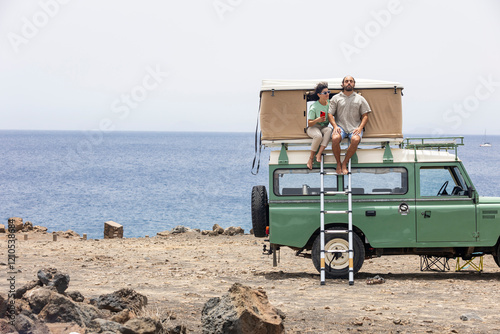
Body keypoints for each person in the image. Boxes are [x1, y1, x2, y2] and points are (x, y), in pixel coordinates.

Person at [328, 76, 371, 175]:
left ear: (354, 84)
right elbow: (330, 114)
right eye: (346, 81)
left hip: (354, 127)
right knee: (335, 138)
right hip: (340, 127)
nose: (348, 83)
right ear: (342, 84)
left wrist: (360, 128)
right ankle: (338, 163)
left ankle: (344, 163)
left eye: (351, 81)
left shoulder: (360, 99)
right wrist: (335, 126)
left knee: (355, 140)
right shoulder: (336, 98)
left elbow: (365, 116)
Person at [306, 82, 333, 169]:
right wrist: (317, 120)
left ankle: (319, 153)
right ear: (319, 95)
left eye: (328, 92)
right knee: (318, 136)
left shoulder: (330, 103)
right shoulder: (314, 107)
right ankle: (311, 158)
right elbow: (309, 123)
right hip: (313, 127)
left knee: (329, 130)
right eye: (325, 93)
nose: (327, 94)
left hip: (323, 127)